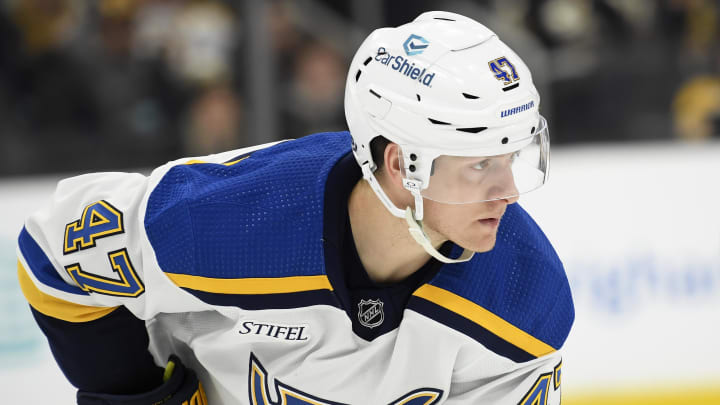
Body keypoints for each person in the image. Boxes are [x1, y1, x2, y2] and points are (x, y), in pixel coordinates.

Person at [17, 11, 573, 405]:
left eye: (512, 158)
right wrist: (138, 396)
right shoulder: (230, 219)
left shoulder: (524, 300)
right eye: (480, 165)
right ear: (403, 164)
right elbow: (53, 253)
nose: (510, 191)